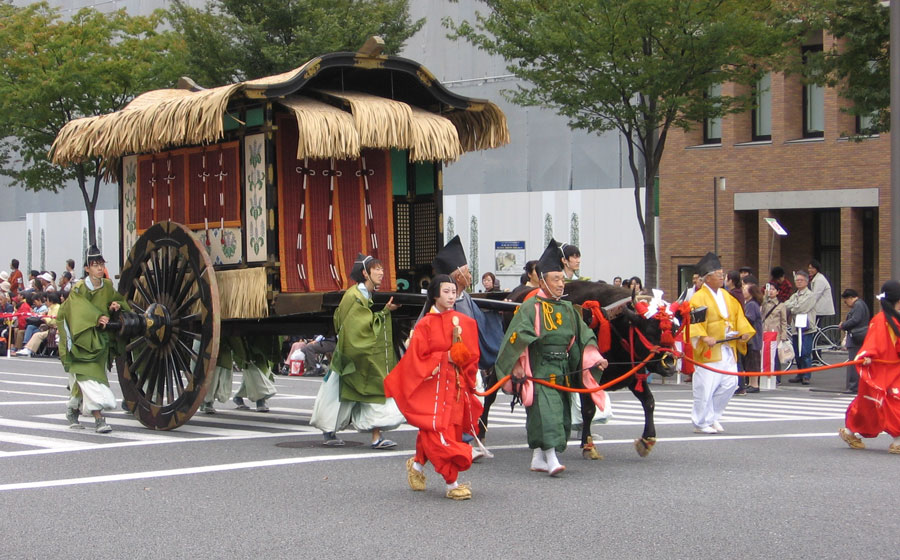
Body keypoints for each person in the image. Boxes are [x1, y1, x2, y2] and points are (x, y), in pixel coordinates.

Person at [494, 239, 609, 475]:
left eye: (562, 280)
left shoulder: (567, 308)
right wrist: (517, 364)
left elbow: (584, 336)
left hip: (563, 369)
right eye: (555, 279)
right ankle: (551, 458)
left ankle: (538, 458)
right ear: (543, 280)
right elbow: (516, 336)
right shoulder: (530, 307)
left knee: (560, 413)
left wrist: (594, 357)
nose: (560, 284)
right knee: (547, 413)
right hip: (539, 368)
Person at [384, 275, 482, 500]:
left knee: (442, 430)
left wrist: (469, 376)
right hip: (433, 388)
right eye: (446, 291)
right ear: (435, 295)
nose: (451, 296)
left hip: (455, 387)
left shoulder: (465, 322)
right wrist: (445, 357)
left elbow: (471, 356)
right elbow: (416, 358)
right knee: (438, 431)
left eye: (453, 291)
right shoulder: (425, 324)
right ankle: (451, 482)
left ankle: (417, 465)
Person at [311, 253, 402, 448]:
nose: (381, 272)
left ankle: (376, 437)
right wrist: (385, 312)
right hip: (351, 351)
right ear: (365, 273)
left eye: (382, 268)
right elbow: (358, 324)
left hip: (356, 350)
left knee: (370, 389)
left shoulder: (363, 294)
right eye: (376, 269)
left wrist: (384, 311)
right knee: (343, 391)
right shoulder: (354, 296)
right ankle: (330, 431)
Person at [431, 235, 505, 453]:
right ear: (457, 275)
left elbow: (480, 324)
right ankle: (458, 444)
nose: (470, 275)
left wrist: (498, 312)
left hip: (468, 362)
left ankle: (466, 442)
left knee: (470, 402)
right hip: (451, 364)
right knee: (455, 403)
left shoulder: (466, 298)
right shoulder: (442, 303)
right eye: (467, 271)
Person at [56, 245, 130, 433]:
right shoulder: (79, 288)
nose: (99, 268)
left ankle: (73, 409)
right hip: (82, 338)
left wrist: (115, 306)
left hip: (101, 340)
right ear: (87, 268)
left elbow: (119, 301)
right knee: (89, 378)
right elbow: (77, 310)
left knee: (92, 379)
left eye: (101, 265)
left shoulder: (107, 286)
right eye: (95, 265)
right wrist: (96, 317)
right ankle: (99, 420)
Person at [688, 252, 755, 434]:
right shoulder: (699, 298)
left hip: (727, 346)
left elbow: (738, 317)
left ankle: (712, 417)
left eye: (722, 274)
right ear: (708, 278)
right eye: (718, 274)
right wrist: (703, 337)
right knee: (706, 388)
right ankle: (701, 422)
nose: (722, 277)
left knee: (730, 383)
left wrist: (743, 332)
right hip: (709, 349)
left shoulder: (727, 296)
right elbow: (694, 323)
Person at [838, 280, 900, 454]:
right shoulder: (881, 321)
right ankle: (898, 440)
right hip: (881, 370)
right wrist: (866, 356)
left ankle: (850, 431)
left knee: (869, 404)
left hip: (892, 369)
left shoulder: (893, 319)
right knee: (890, 402)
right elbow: (873, 344)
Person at [785, 270, 818, 385]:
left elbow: (801, 308)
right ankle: (800, 373)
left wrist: (793, 307)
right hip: (795, 328)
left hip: (806, 328)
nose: (798, 282)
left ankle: (806, 375)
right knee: (797, 352)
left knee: (805, 353)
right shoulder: (795, 295)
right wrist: (794, 306)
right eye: (797, 280)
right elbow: (786, 305)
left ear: (806, 282)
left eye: (801, 280)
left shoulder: (810, 295)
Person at [839, 289, 869, 393]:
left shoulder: (858, 305)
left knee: (853, 362)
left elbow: (855, 319)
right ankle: (855, 385)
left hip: (856, 336)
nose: (846, 304)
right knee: (856, 361)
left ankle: (853, 386)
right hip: (859, 335)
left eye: (845, 301)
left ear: (850, 298)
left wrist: (843, 325)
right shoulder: (861, 304)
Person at [17, 292, 61, 357]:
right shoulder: (51, 308)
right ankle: (26, 347)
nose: (46, 302)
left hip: (54, 329)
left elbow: (53, 322)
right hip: (47, 327)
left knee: (37, 335)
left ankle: (29, 350)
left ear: (51, 301)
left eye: (47, 300)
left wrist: (44, 318)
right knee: (31, 328)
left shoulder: (56, 308)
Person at [761, 282, 790, 377]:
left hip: (775, 333)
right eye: (769, 289)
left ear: (777, 292)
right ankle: (765, 375)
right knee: (765, 354)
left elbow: (784, 322)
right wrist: (765, 296)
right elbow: (761, 311)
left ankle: (777, 377)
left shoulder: (781, 305)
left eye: (773, 289)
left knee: (775, 355)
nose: (771, 291)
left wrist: (783, 336)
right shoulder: (765, 303)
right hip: (765, 332)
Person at [741, 280, 764, 393]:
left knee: (753, 361)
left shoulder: (751, 304)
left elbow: (749, 319)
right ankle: (750, 383)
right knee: (750, 361)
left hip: (753, 338)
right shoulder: (750, 304)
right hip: (753, 338)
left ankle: (754, 384)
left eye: (745, 290)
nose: (743, 291)